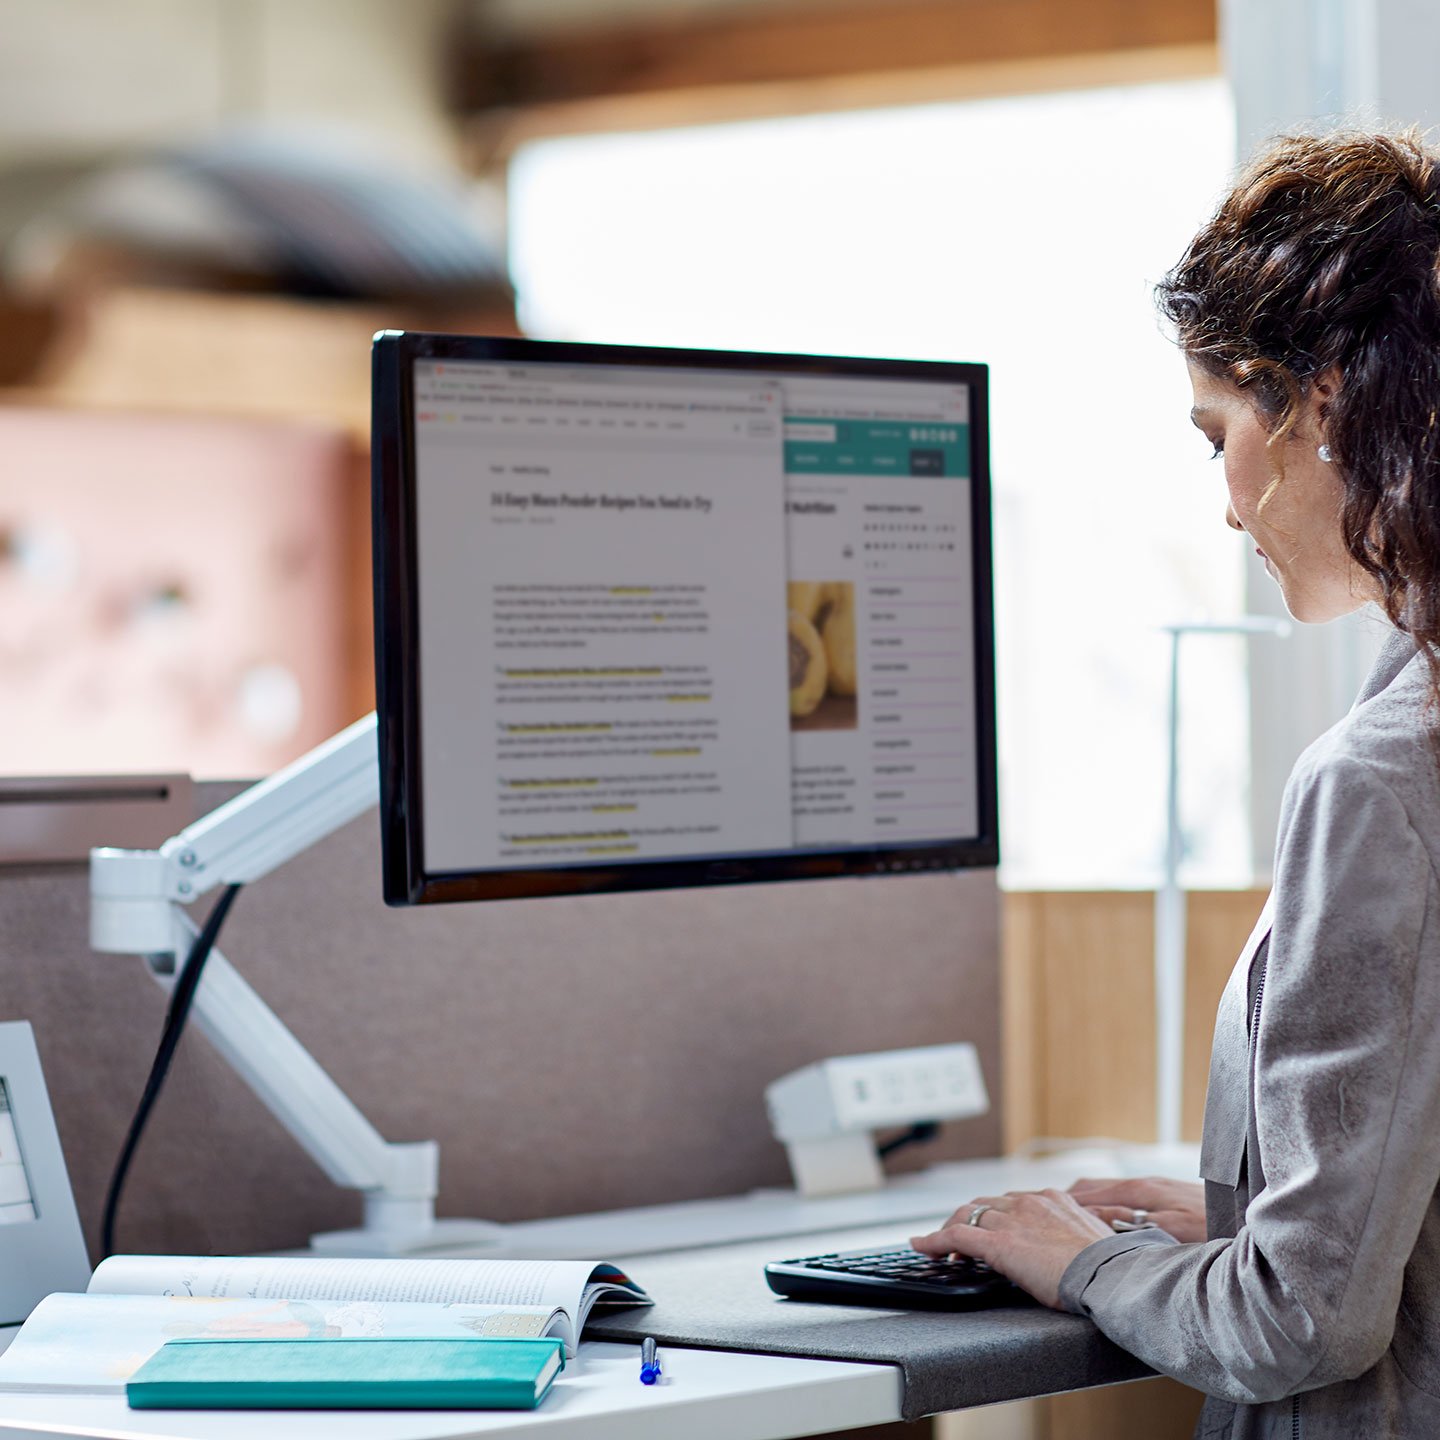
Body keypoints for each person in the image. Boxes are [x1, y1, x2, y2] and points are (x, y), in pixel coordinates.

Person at [912, 127, 1440, 1439]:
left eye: (1219, 435)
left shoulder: (1383, 779)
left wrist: (1076, 1258)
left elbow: (1296, 1323)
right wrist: (1248, 1212)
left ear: (1317, 403)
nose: (1224, 502)